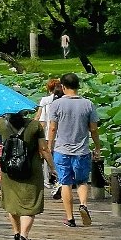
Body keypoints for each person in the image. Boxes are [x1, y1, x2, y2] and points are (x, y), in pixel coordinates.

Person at [45, 72, 101, 227]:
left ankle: (70, 218)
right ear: (78, 86)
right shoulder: (88, 104)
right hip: (82, 150)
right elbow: (94, 129)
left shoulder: (56, 104)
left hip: (62, 150)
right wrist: (97, 147)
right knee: (82, 181)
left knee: (66, 183)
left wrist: (49, 146)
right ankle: (83, 205)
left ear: (62, 87)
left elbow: (53, 128)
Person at [0, 109, 47, 240]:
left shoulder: (1, 123)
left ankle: (16, 233)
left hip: (9, 169)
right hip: (30, 169)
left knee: (12, 202)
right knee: (30, 204)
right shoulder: (35, 125)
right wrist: (52, 167)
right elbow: (43, 148)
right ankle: (24, 237)